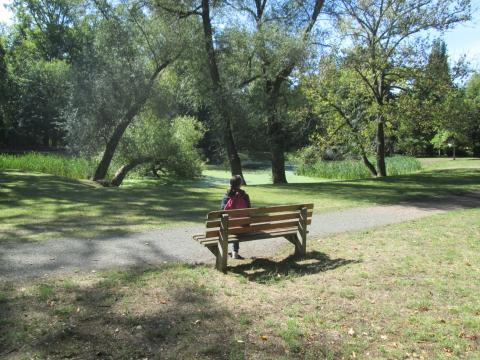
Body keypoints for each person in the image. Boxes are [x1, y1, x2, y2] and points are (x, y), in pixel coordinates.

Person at [221, 175, 251, 259]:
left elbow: (222, 212)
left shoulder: (226, 196)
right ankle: (235, 251)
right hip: (244, 226)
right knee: (237, 224)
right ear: (240, 184)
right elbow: (249, 210)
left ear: (230, 183)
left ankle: (231, 251)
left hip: (228, 227)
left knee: (230, 224)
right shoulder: (245, 196)